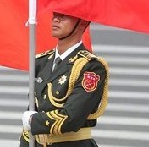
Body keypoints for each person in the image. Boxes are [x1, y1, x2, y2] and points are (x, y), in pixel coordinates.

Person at [19, 12, 109, 146]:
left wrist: (33, 120)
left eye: (64, 16)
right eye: (55, 14)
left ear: (83, 23)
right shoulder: (41, 61)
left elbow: (72, 118)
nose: (56, 19)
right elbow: (34, 109)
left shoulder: (91, 67)